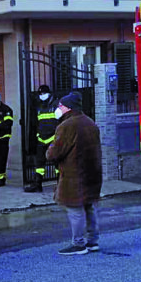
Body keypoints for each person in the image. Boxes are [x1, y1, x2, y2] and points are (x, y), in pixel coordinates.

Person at [46, 92, 103, 255]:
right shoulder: (90, 122)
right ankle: (93, 241)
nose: (58, 108)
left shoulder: (67, 126)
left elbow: (54, 153)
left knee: (75, 209)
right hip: (92, 173)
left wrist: (49, 149)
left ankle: (78, 244)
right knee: (89, 206)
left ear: (68, 108)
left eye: (60, 106)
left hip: (74, 175)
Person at [25, 84, 59, 193]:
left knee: (57, 163)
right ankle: (37, 184)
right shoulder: (39, 106)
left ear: (49, 93)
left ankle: (60, 185)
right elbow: (36, 123)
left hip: (53, 138)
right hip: (41, 138)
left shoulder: (56, 104)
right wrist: (38, 135)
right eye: (40, 94)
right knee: (39, 163)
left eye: (44, 93)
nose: (42, 95)